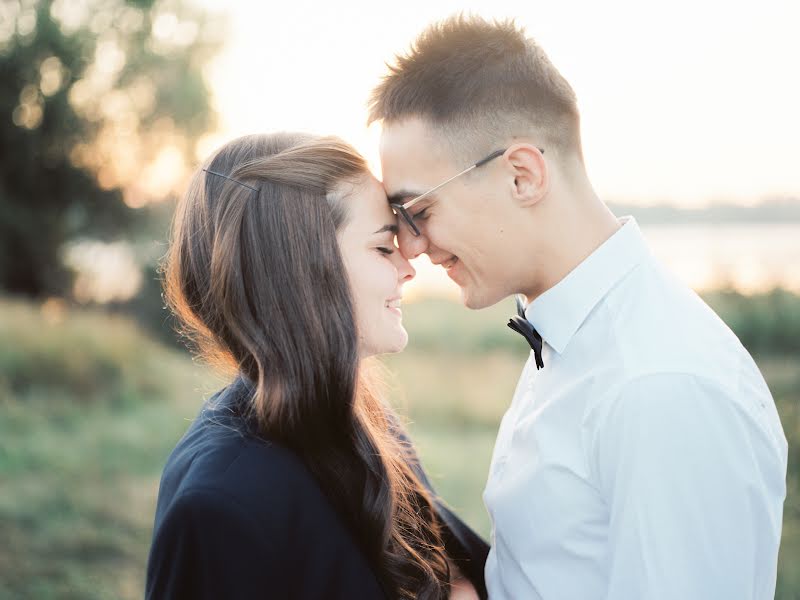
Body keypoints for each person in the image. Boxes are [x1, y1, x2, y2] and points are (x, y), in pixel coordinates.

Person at [369, 15, 788, 600]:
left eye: (418, 211)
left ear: (521, 175)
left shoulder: (663, 384)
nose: (409, 245)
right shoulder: (570, 331)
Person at [145, 132, 488, 599]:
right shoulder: (221, 506)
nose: (409, 267)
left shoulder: (365, 421)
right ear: (303, 270)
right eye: (383, 248)